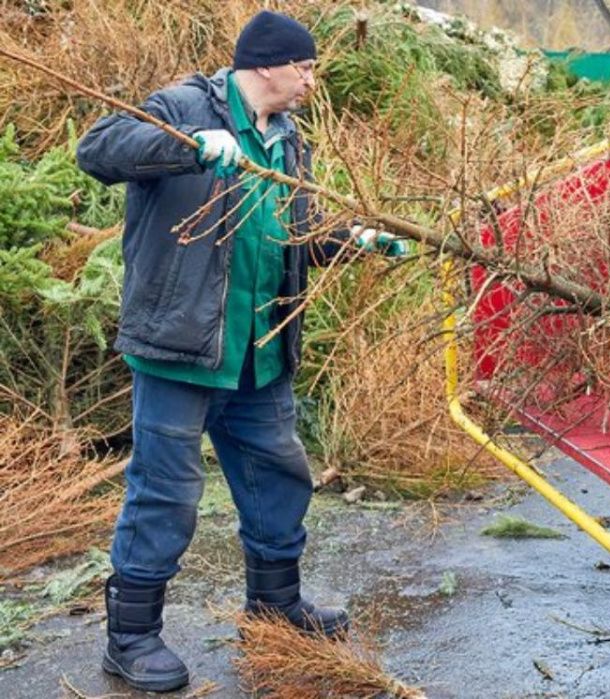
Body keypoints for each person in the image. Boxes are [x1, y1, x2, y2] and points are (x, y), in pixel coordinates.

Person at [76, 10, 407, 693]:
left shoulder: (287, 140)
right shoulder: (182, 107)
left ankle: (275, 606)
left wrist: (353, 241)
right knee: (165, 492)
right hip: (181, 347)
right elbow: (99, 149)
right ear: (266, 66)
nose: (311, 81)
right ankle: (131, 635)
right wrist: (190, 146)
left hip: (259, 348)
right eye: (305, 68)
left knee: (278, 479)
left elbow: (292, 237)